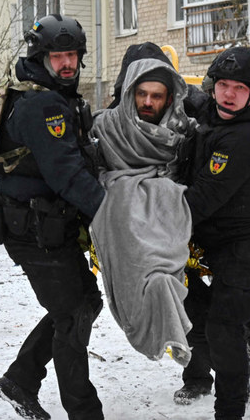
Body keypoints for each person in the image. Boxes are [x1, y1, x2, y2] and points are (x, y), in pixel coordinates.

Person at [0, 14, 105, 420]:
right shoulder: (42, 105)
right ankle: (84, 412)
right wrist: (110, 213)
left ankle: (20, 379)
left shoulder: (57, 95)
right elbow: (66, 174)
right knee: (73, 314)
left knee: (83, 303)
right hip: (32, 228)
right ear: (41, 57)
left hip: (48, 225)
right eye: (58, 56)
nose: (67, 63)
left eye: (72, 54)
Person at [174, 47, 250, 419]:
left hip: (248, 249)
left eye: (238, 88)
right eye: (221, 84)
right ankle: (240, 361)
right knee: (191, 314)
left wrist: (144, 218)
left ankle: (230, 408)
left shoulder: (247, 137)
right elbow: (194, 102)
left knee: (223, 330)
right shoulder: (219, 113)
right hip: (214, 243)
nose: (227, 93)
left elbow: (203, 199)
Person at [88, 57, 198, 367]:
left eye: (156, 95)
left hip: (168, 217)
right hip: (122, 215)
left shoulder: (183, 131)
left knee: (173, 282)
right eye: (141, 94)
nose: (147, 102)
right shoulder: (106, 126)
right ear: (130, 93)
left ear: (170, 98)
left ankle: (195, 360)